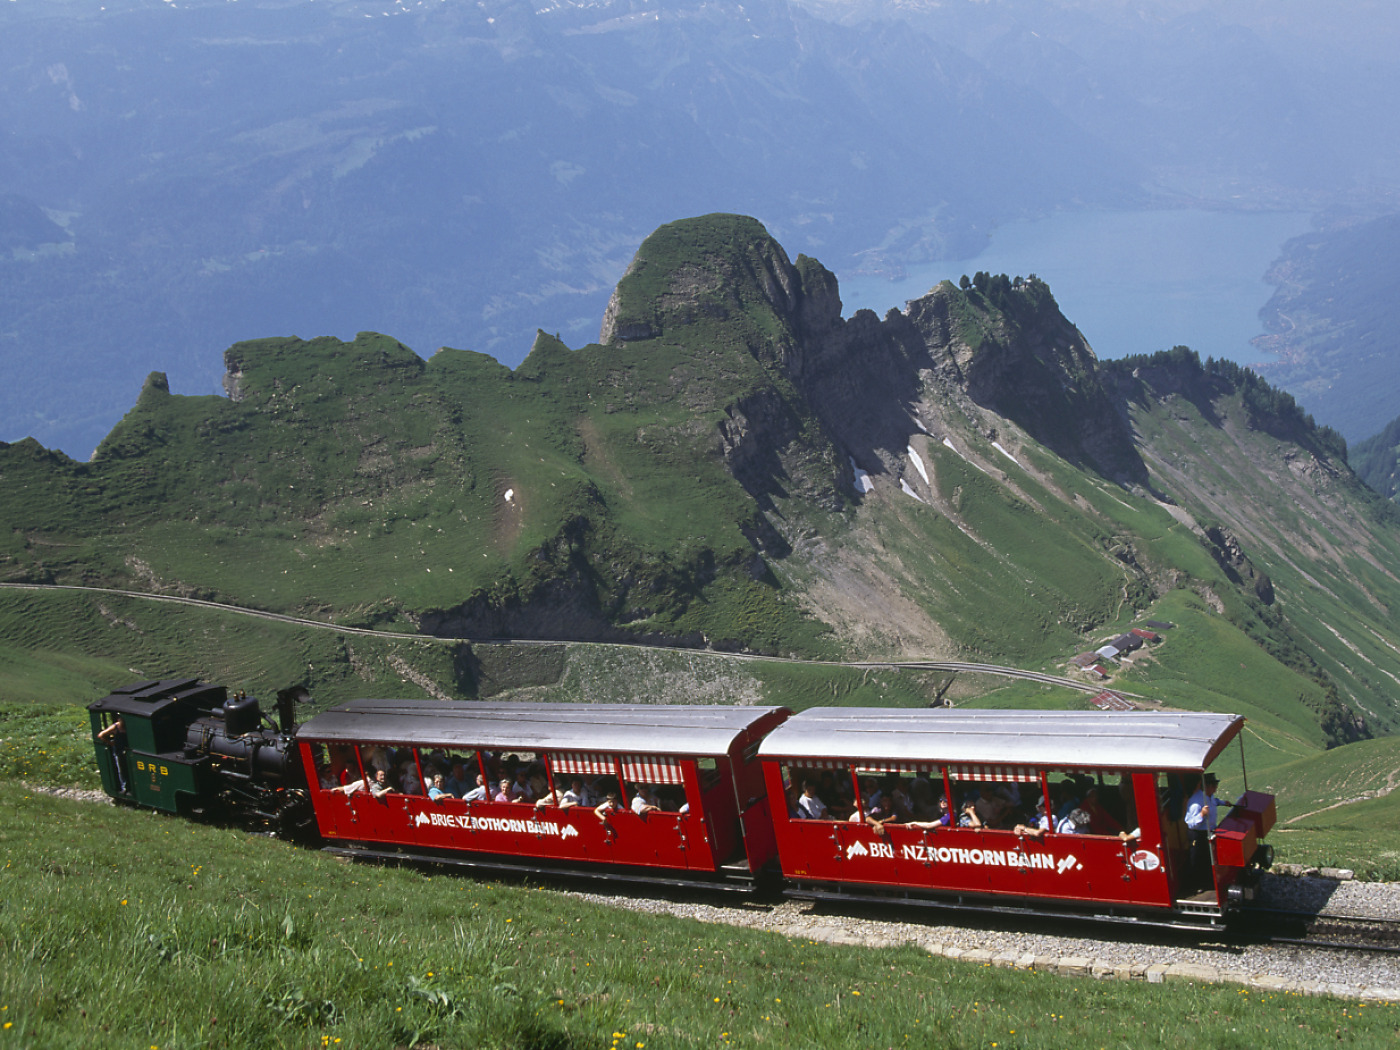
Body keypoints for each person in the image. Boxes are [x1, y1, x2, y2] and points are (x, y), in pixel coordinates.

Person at [1185, 773, 1227, 890]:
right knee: (1197, 859)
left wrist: (1223, 803)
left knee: (1208, 858)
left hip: (1209, 831)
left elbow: (1214, 801)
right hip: (1198, 834)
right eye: (1214, 785)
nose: (1216, 788)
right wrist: (1201, 815)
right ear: (1207, 786)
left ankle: (1209, 881)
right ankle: (1196, 885)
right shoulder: (1196, 803)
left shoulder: (1210, 796)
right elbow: (1190, 823)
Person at [97, 715, 130, 793]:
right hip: (119, 750)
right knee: (121, 769)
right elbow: (101, 735)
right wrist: (111, 743)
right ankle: (124, 787)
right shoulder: (115, 726)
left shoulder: (128, 725)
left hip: (127, 750)